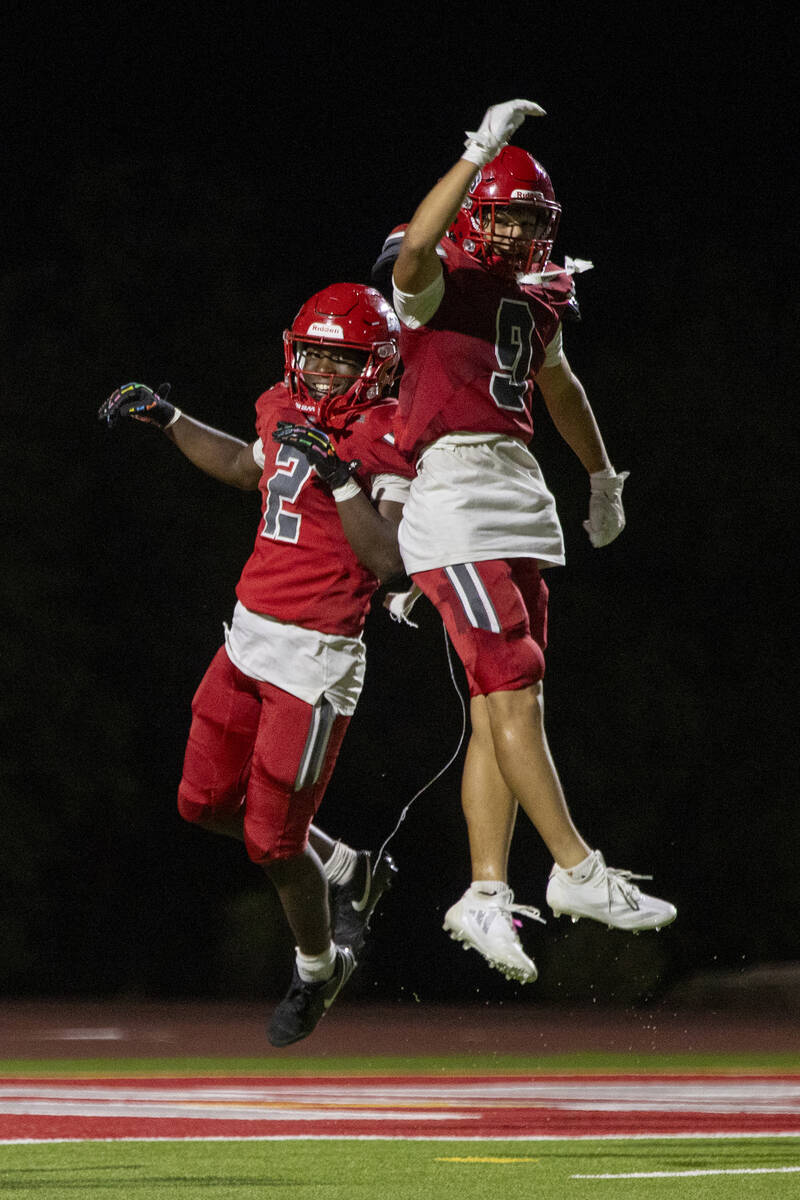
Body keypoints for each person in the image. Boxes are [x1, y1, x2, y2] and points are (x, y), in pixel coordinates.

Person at [375, 99, 677, 985]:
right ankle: (578, 871)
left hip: (517, 489)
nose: (516, 233)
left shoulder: (537, 292)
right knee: (514, 686)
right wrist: (476, 150)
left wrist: (604, 475)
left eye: (530, 221)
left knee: (502, 709)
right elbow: (420, 249)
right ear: (476, 211)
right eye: (503, 215)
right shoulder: (441, 277)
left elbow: (560, 385)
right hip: (455, 496)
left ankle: (484, 889)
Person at [98, 283, 412, 1045]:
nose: (325, 373)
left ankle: (318, 968)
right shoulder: (280, 404)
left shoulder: (393, 433)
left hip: (316, 658)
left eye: (343, 360)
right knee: (201, 802)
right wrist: (170, 419)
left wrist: (339, 477)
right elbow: (248, 467)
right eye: (315, 355)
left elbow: (394, 562)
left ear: (376, 365)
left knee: (272, 842)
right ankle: (349, 868)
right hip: (247, 638)